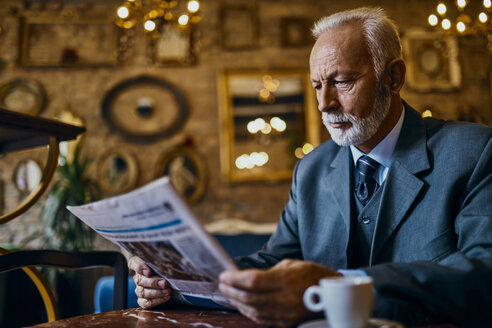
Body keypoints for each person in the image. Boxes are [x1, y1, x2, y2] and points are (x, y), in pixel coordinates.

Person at [128, 7, 492, 328]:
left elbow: (484, 273)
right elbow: (275, 262)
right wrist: (176, 281)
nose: (324, 104)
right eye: (317, 85)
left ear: (394, 78)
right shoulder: (312, 169)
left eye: (342, 81)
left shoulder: (475, 152)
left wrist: (337, 284)